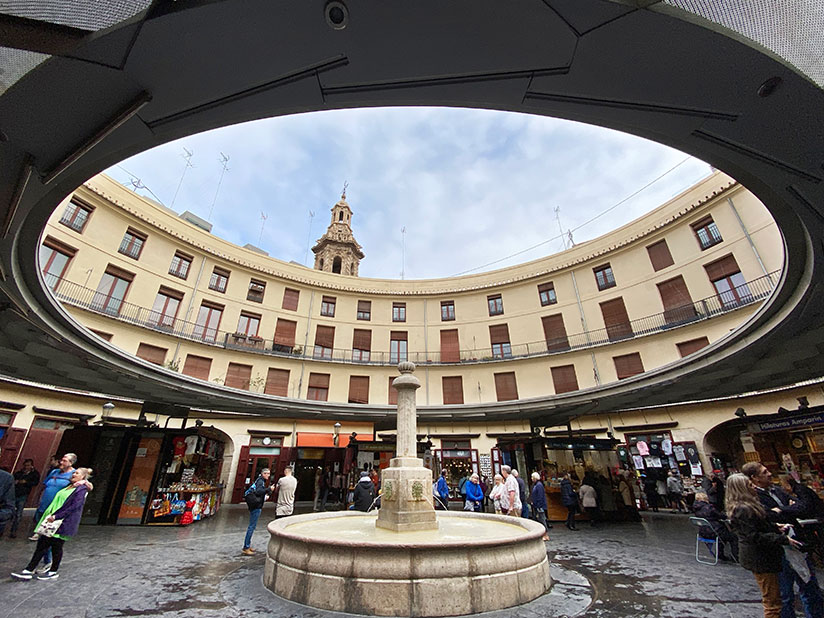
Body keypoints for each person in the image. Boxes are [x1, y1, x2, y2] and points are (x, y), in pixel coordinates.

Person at [742, 462, 824, 618]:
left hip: (797, 543)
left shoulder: (777, 490)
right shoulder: (754, 498)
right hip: (779, 548)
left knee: (810, 588)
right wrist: (785, 512)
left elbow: (803, 506)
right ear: (755, 478)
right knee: (785, 594)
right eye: (764, 472)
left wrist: (783, 509)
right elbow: (767, 517)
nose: (769, 474)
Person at [727, 472, 801, 618]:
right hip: (760, 558)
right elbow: (753, 535)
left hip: (762, 557)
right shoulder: (743, 509)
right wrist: (783, 539)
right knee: (772, 602)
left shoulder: (746, 506)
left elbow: (757, 526)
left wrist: (775, 526)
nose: (753, 486)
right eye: (749, 485)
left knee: (774, 597)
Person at [11, 467, 93, 581]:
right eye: (74, 472)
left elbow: (74, 506)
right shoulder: (69, 486)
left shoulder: (81, 489)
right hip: (53, 520)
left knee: (49, 546)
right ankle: (44, 570)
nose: (74, 474)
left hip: (61, 522)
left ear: (83, 477)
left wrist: (56, 516)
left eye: (77, 473)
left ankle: (33, 570)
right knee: (51, 546)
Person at [30, 453, 76, 540]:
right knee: (40, 515)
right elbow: (44, 484)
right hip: (45, 501)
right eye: (61, 460)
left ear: (71, 463)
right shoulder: (54, 472)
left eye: (64, 461)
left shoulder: (74, 474)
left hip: (57, 504)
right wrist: (38, 496)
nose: (61, 462)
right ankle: (38, 533)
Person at [692, 491, 738, 561]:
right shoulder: (709, 508)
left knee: (722, 536)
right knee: (733, 537)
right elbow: (721, 516)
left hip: (703, 533)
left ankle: (720, 554)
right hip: (714, 531)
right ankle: (735, 557)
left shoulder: (696, 508)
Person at [4, 458, 39, 538]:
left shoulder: (34, 474)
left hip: (23, 495)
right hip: (14, 494)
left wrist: (26, 482)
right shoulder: (19, 473)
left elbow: (35, 482)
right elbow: (12, 480)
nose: (26, 467)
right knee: (9, 511)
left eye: (28, 465)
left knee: (18, 514)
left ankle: (13, 531)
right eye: (25, 465)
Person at [242, 468, 274, 555]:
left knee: (252, 526)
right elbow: (259, 491)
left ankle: (247, 546)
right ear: (263, 474)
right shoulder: (260, 481)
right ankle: (246, 547)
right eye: (266, 473)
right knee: (251, 527)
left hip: (255, 505)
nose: (268, 475)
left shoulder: (259, 480)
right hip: (256, 506)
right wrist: (269, 489)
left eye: (269, 473)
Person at [530, 472, 550, 540]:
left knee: (542, 519)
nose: (531, 479)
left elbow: (540, 496)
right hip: (537, 505)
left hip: (539, 506)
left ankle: (545, 535)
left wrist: (538, 505)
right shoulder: (536, 485)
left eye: (532, 477)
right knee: (539, 519)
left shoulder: (539, 485)